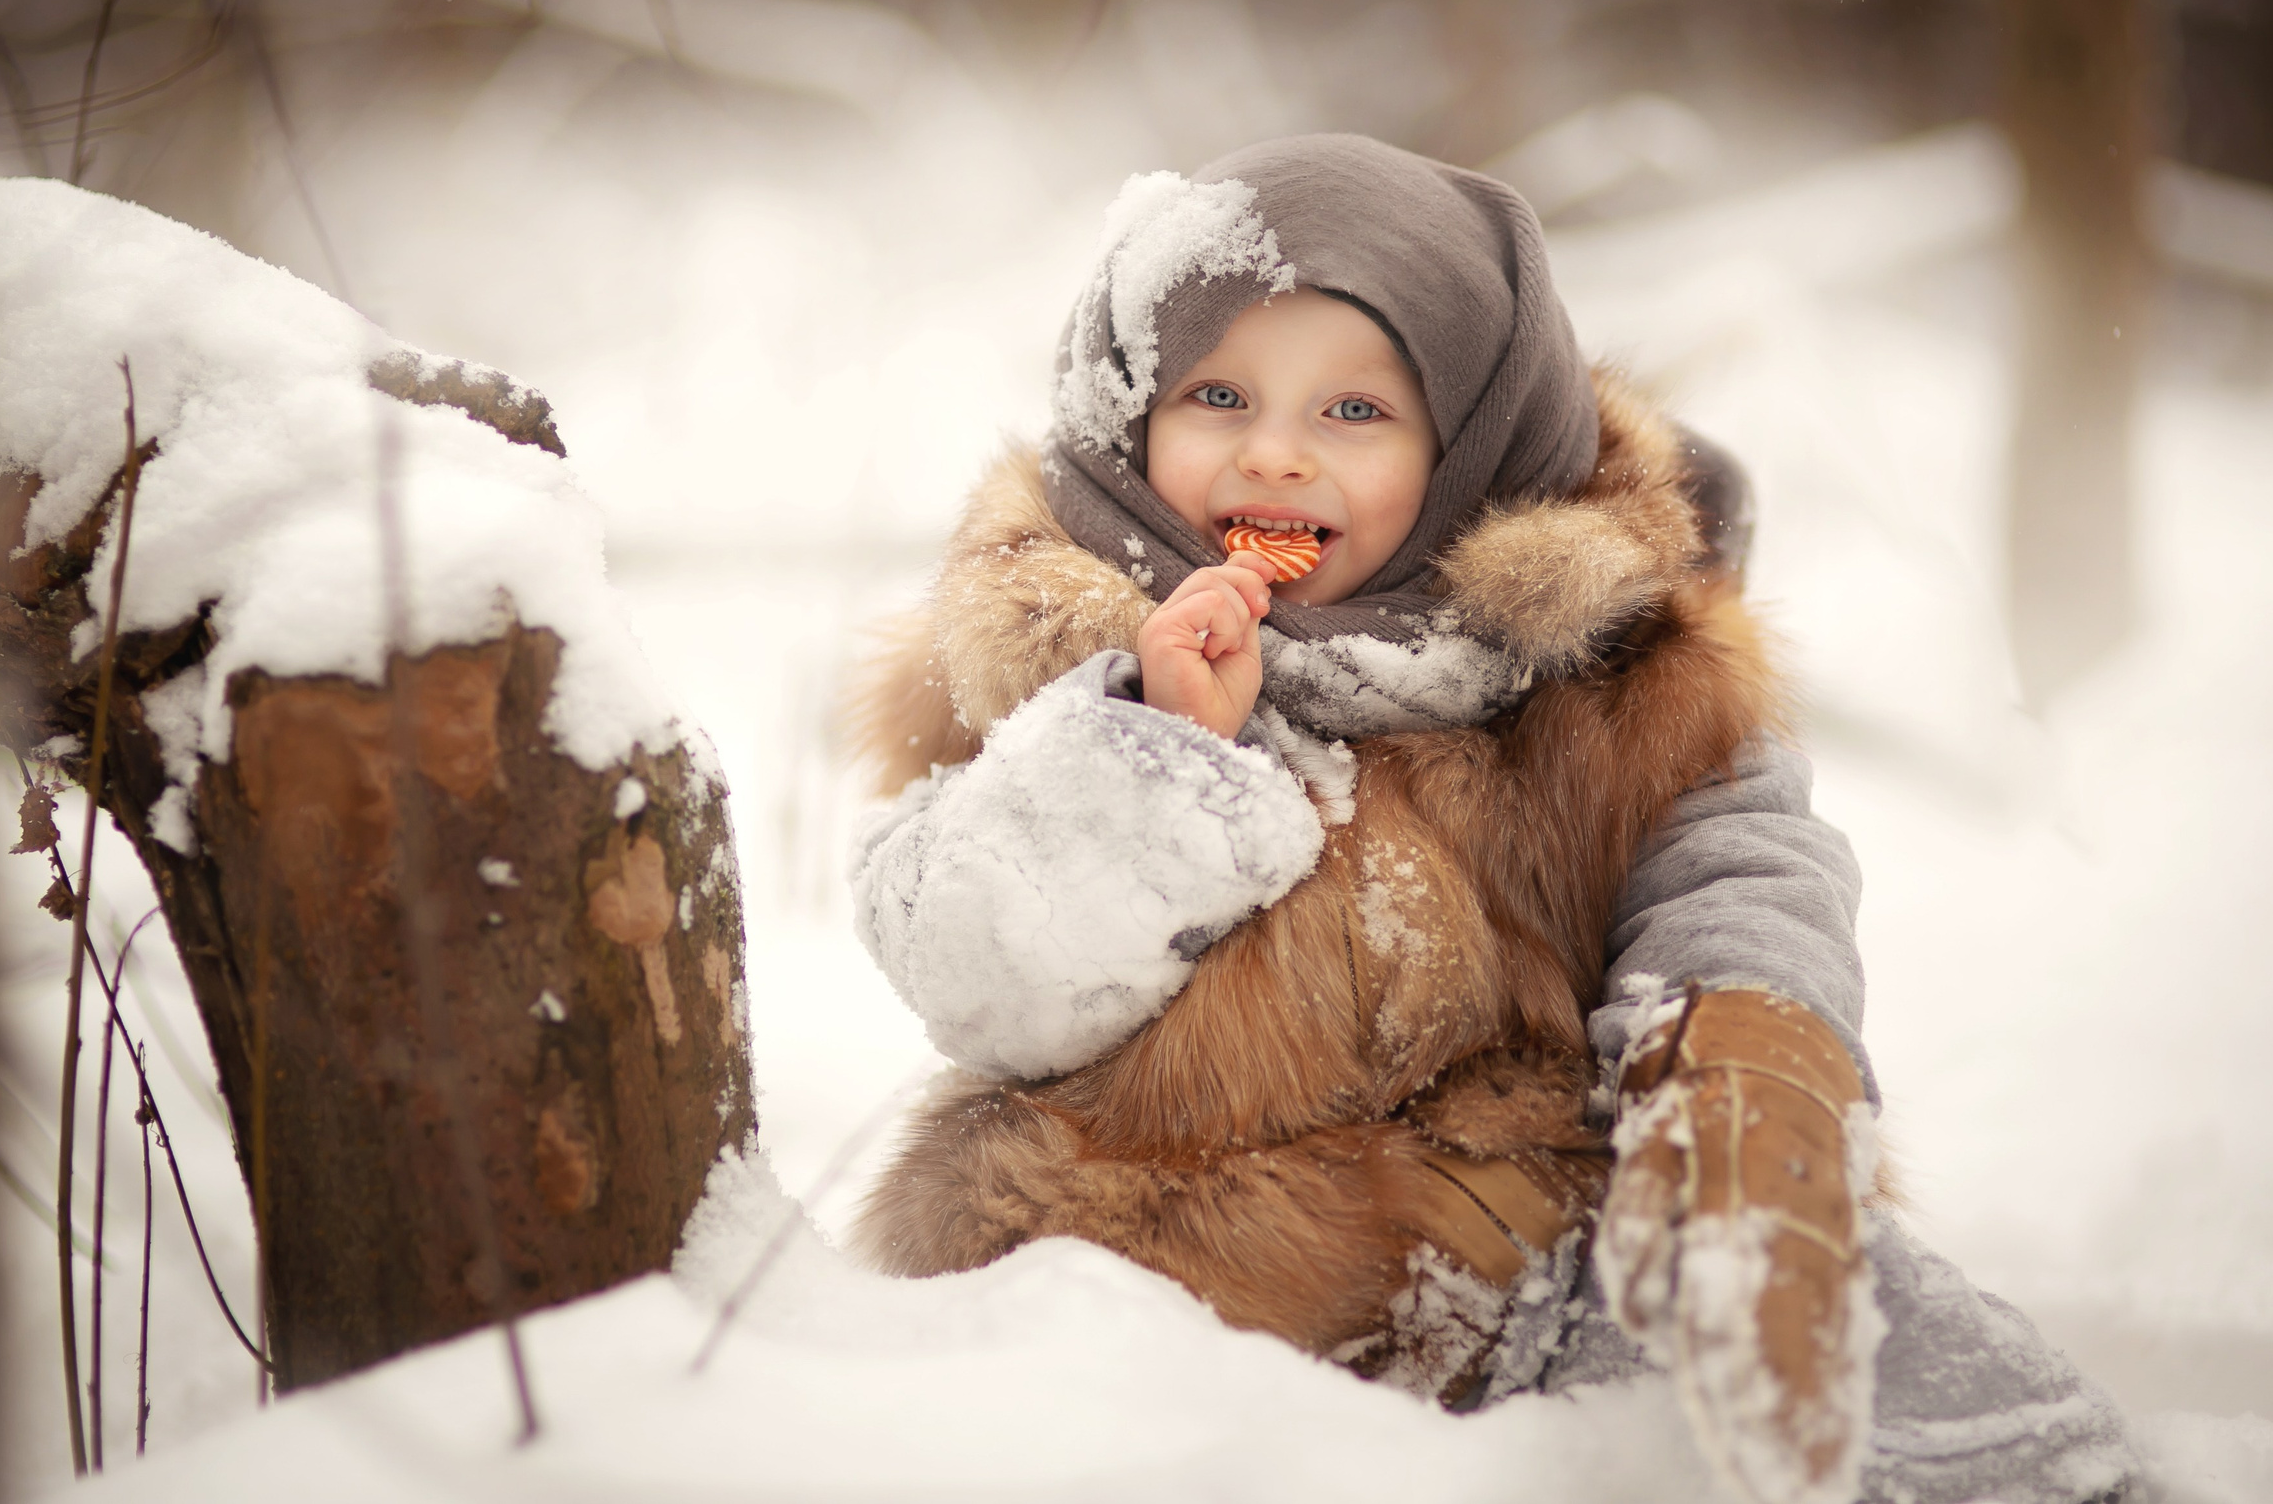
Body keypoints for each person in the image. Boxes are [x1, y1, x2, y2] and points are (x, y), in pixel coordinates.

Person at [844, 134, 2135, 1504]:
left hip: (1533, 1239)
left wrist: (1744, 1080)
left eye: (1356, 413)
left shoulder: (1611, 668)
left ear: (1471, 445)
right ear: (1126, 416)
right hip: (1162, 1265)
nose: (1275, 454)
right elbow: (976, 969)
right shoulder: (1044, 657)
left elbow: (1739, 868)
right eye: (1218, 394)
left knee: (1941, 1395)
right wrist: (1153, 745)